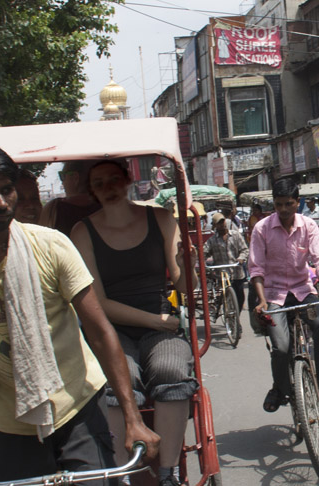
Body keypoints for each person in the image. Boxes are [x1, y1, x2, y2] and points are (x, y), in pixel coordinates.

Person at [0, 144, 159, 484]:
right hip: (9, 422)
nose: (1, 203)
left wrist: (133, 419)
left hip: (77, 409)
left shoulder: (51, 245)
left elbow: (101, 333)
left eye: (6, 190)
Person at [69, 160, 196, 486]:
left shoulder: (161, 218)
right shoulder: (83, 232)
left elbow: (183, 285)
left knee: (172, 369)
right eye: (100, 183)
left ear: (128, 180)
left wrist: (187, 265)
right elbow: (99, 304)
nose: (109, 188)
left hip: (160, 322)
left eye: (114, 180)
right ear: (92, 190)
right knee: (114, 378)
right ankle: (121, 475)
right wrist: (158, 321)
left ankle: (167, 474)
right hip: (113, 329)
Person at [249, 177, 319, 413]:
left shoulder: (309, 226)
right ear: (273, 204)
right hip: (273, 295)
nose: (283, 210)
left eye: (288, 204)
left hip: (303, 291)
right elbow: (256, 268)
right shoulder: (261, 228)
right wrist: (262, 300)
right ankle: (279, 388)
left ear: (297, 202)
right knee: (281, 347)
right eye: (278, 205)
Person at [39, 160, 101, 235]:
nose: (62, 182)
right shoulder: (105, 205)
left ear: (75, 177)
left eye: (62, 176)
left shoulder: (54, 208)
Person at [203, 212, 249, 313]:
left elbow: (245, 250)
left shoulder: (235, 235)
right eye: (219, 223)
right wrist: (202, 261)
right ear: (215, 225)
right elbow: (204, 253)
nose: (222, 224)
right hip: (222, 275)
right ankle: (229, 316)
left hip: (237, 273)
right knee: (226, 297)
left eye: (223, 221)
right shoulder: (212, 240)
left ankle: (236, 316)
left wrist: (241, 258)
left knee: (240, 298)